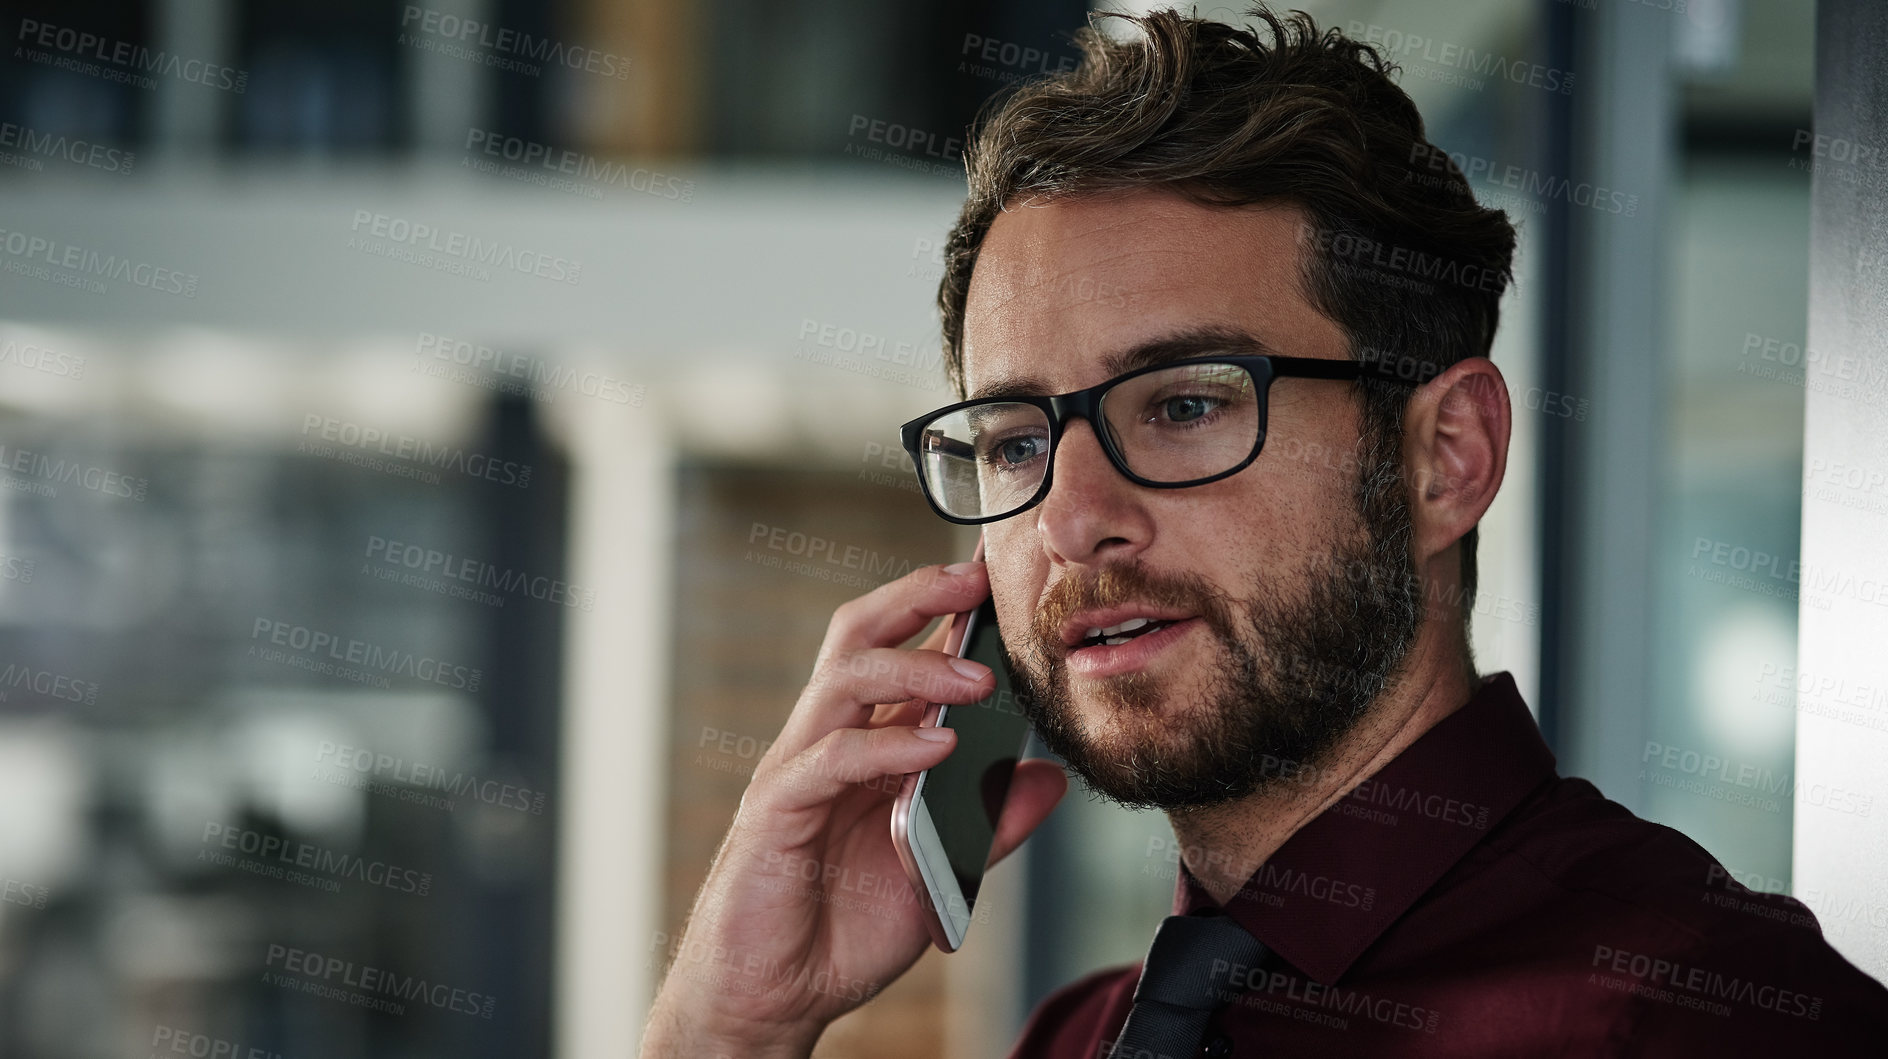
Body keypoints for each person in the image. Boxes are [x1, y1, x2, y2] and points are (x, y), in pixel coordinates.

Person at [642, 7, 1888, 1056]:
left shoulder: (1693, 1021)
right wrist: (730, 1028)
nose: (1074, 520)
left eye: (1185, 406)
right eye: (1017, 440)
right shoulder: (1082, 1037)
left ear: (1445, 457)